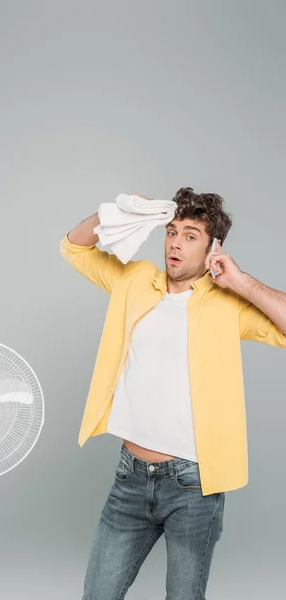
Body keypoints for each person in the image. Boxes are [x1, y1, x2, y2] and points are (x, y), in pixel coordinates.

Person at [60, 187, 286, 600]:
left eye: (191, 235)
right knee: (98, 593)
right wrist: (116, 212)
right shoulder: (135, 280)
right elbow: (75, 248)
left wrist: (241, 281)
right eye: (172, 231)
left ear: (213, 247)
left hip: (193, 485)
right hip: (130, 477)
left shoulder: (226, 302)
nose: (176, 243)